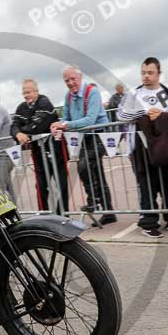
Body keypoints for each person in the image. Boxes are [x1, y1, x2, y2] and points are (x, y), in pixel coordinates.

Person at [119, 58, 168, 238]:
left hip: (164, 145)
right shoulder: (133, 94)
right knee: (146, 183)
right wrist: (144, 114)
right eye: (143, 73)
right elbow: (121, 114)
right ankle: (148, 223)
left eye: (150, 73)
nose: (146, 76)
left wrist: (163, 115)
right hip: (140, 147)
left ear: (158, 73)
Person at [50, 65, 116, 226]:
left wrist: (64, 125)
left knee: (84, 166)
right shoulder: (68, 96)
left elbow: (90, 119)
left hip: (99, 134)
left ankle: (93, 200)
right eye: (67, 80)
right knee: (97, 173)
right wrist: (58, 126)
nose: (71, 83)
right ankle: (109, 212)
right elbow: (65, 117)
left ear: (80, 78)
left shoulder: (91, 92)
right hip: (83, 138)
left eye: (73, 79)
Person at [12, 79, 69, 215]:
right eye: (24, 93)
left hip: (56, 150)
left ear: (36, 91)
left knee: (61, 184)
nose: (26, 95)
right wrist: (17, 133)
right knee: (41, 186)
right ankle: (43, 214)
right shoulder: (21, 108)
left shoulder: (45, 103)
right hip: (38, 153)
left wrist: (23, 132)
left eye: (29, 92)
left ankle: (63, 215)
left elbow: (38, 125)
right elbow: (13, 125)